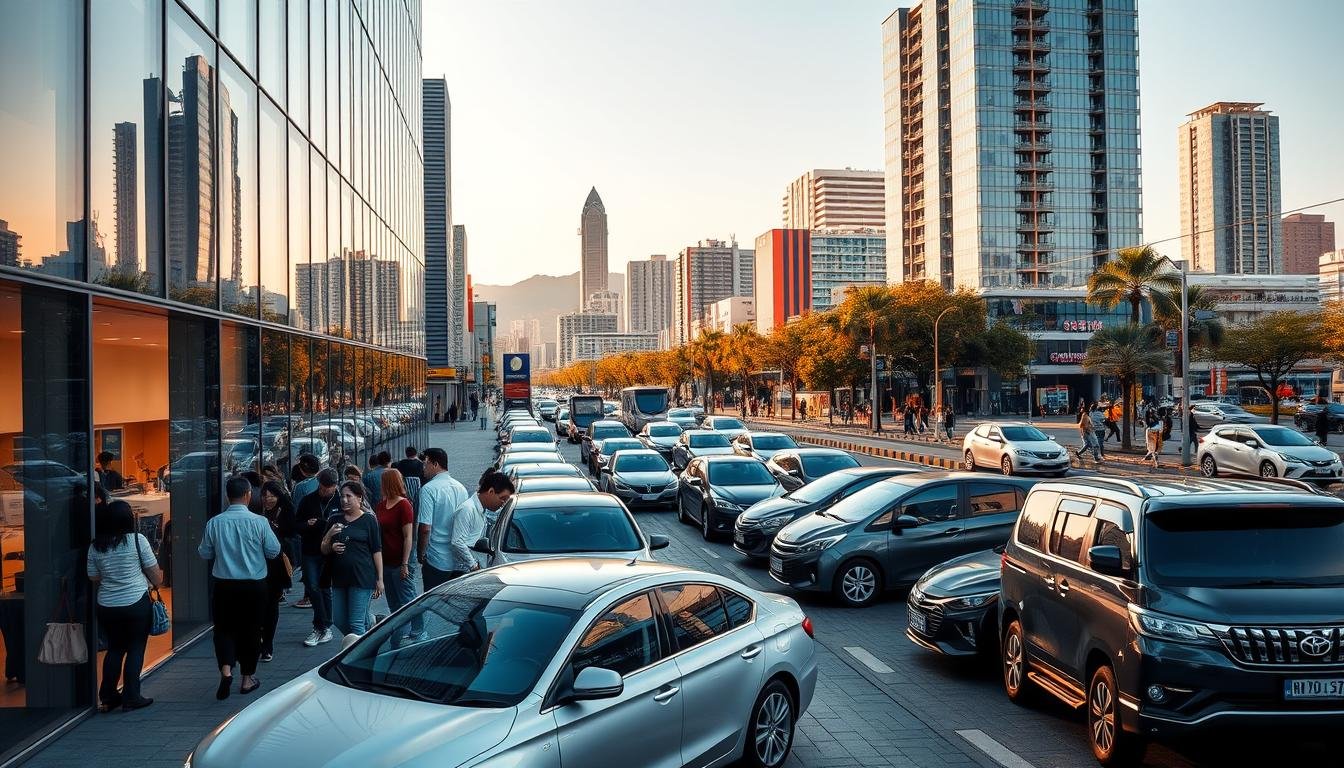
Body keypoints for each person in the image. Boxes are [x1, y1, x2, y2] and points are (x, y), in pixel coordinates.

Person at [198, 476, 280, 700]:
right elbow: (273, 551)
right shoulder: (259, 522)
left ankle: (226, 671)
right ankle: (247, 679)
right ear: (248, 495)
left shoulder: (214, 523)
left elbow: (204, 552)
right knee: (252, 630)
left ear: (227, 496)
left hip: (224, 585)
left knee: (223, 629)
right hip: (254, 586)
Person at [87, 500, 161, 712]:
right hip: (135, 601)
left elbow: (93, 577)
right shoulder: (137, 540)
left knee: (115, 649)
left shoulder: (95, 545)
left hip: (107, 604)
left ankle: (108, 695)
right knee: (136, 647)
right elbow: (154, 573)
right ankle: (132, 695)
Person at [320, 481, 383, 636]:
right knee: (339, 620)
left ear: (359, 498)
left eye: (349, 496)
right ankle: (362, 641)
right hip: (339, 578)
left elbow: (376, 550)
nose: (344, 500)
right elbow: (323, 549)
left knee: (356, 623)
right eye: (342, 496)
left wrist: (380, 579)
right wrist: (330, 539)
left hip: (362, 577)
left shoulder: (369, 520)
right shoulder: (334, 519)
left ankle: (358, 653)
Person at [416, 448, 470, 590]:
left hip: (437, 559)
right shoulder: (461, 488)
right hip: (459, 559)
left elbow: (425, 528)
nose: (423, 468)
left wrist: (420, 553)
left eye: (425, 464)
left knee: (433, 606)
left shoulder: (428, 489)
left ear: (435, 464)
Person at [296, 469, 340, 643]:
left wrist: (325, 525)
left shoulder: (340, 500)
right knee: (313, 586)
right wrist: (307, 524)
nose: (324, 491)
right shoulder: (308, 500)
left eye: (327, 489)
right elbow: (296, 524)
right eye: (321, 488)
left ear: (335, 486)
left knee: (324, 588)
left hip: (330, 552)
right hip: (310, 550)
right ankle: (322, 625)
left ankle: (323, 626)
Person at [376, 469, 420, 637]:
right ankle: (400, 633)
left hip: (401, 562)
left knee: (408, 601)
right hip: (386, 561)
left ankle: (417, 631)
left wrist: (405, 563)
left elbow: (408, 536)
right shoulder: (381, 505)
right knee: (393, 602)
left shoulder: (404, 505)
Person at [257, 481, 296, 662]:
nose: (267, 499)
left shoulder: (286, 510)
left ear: (278, 496)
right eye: (265, 495)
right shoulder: (257, 511)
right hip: (258, 562)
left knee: (271, 603)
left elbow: (291, 534)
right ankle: (260, 638)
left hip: (277, 563)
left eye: (271, 495)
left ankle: (267, 644)